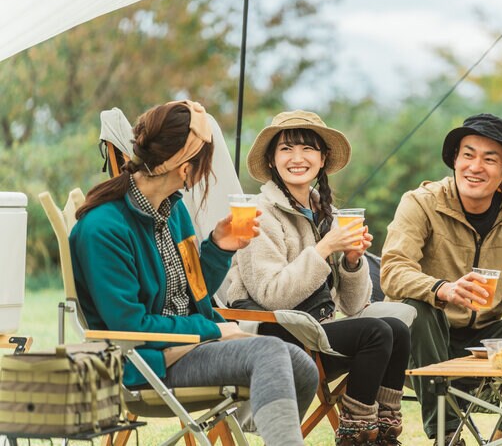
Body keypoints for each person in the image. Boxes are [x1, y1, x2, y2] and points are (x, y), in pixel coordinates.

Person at [70, 100, 318, 446]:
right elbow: (130, 327)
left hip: (188, 347)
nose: (209, 169)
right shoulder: (103, 229)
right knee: (270, 353)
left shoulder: (173, 212)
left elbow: (194, 291)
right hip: (146, 361)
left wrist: (219, 247)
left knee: (301, 365)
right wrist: (214, 329)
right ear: (185, 168)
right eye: (207, 160)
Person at [220, 110, 411, 446]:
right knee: (376, 331)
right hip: (273, 332)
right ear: (271, 160)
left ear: (322, 159)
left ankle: (382, 434)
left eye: (308, 149)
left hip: (314, 330)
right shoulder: (259, 215)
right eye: (286, 149)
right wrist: (325, 248)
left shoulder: (326, 214)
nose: (298, 158)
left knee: (396, 329)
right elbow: (271, 296)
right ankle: (356, 436)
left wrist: (352, 261)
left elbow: (352, 306)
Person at [380, 113, 502, 445]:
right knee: (419, 308)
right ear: (455, 159)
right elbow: (393, 270)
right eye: (467, 154)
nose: (475, 166)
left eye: (489, 159)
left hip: (482, 341)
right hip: (424, 339)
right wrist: (441, 289)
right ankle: (448, 434)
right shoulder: (421, 203)